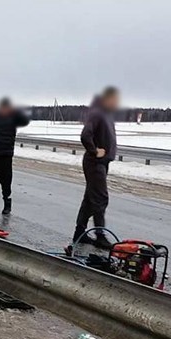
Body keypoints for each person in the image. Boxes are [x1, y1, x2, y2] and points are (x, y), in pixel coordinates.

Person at [71, 86, 120, 250]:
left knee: (90, 199)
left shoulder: (106, 114)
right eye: (114, 99)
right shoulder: (98, 113)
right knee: (100, 198)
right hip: (95, 163)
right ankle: (100, 235)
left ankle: (80, 233)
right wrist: (94, 150)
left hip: (102, 163)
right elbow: (86, 135)